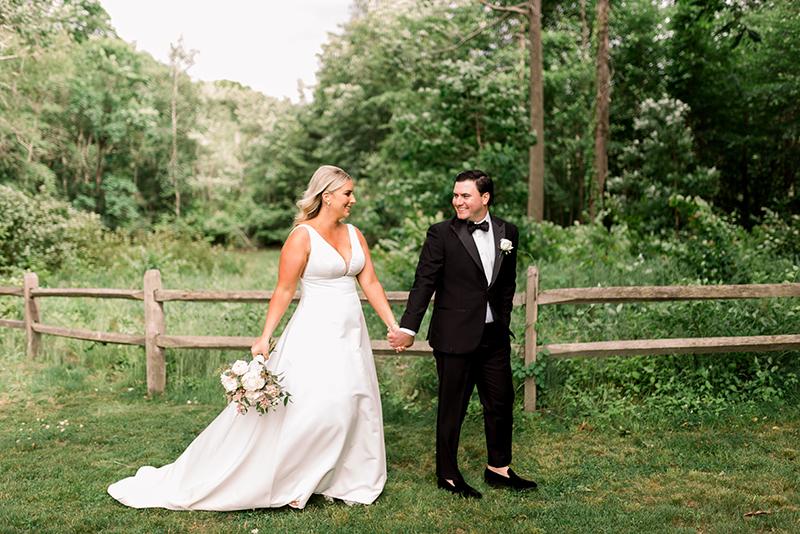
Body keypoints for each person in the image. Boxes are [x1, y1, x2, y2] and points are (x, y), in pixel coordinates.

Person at [109, 165, 396, 510]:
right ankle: (296, 477)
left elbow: (371, 283)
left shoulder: (354, 233)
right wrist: (265, 336)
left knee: (355, 400)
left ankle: (343, 478)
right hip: (315, 333)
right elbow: (284, 290)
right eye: (348, 193)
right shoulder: (301, 237)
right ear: (327, 196)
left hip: (351, 333)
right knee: (320, 407)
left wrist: (392, 326)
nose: (353, 199)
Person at [388, 170, 537, 498]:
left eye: (465, 195)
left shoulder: (508, 232)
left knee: (501, 401)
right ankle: (448, 474)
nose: (457, 201)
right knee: (452, 406)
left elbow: (507, 283)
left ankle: (498, 468)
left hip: (493, 336)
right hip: (454, 336)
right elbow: (424, 282)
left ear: (485, 198)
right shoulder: (441, 234)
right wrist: (409, 327)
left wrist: (503, 320)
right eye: (456, 195)